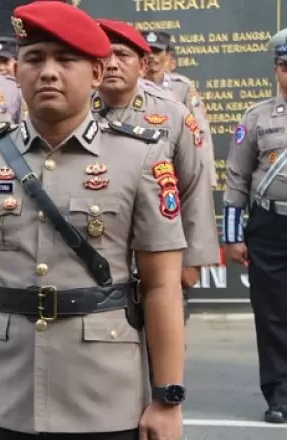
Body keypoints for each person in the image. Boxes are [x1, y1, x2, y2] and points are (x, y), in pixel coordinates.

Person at [0, 3, 186, 440]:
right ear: (16, 71)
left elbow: (161, 285)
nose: (49, 72)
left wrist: (167, 398)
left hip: (105, 397)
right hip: (6, 394)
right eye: (35, 58)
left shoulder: (141, 157)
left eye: (66, 59)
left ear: (96, 73)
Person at [94, 19, 219, 318]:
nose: (112, 65)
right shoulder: (78, 110)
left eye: (122, 56)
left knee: (159, 340)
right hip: (96, 248)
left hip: (159, 250)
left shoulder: (172, 113)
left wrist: (193, 258)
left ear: (142, 64)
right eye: (104, 57)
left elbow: (194, 184)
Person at [223, 28, 287, 424]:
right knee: (272, 312)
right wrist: (232, 236)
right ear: (277, 70)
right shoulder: (257, 118)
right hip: (270, 226)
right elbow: (236, 179)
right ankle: (279, 392)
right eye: (285, 66)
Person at [143, 31, 216, 188]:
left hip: (175, 165)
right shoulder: (132, 86)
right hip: (140, 166)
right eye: (147, 51)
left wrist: (207, 175)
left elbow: (199, 131)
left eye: (157, 51)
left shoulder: (182, 87)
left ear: (168, 55)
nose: (152, 57)